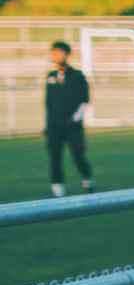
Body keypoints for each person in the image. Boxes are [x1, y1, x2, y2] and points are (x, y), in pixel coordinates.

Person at [44, 41, 94, 197]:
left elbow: (85, 100)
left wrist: (74, 119)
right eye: (53, 52)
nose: (55, 55)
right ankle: (57, 188)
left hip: (73, 126)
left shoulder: (78, 76)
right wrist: (47, 125)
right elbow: (48, 103)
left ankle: (87, 179)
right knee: (55, 158)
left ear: (66, 54)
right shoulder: (50, 77)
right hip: (54, 127)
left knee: (78, 155)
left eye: (59, 52)